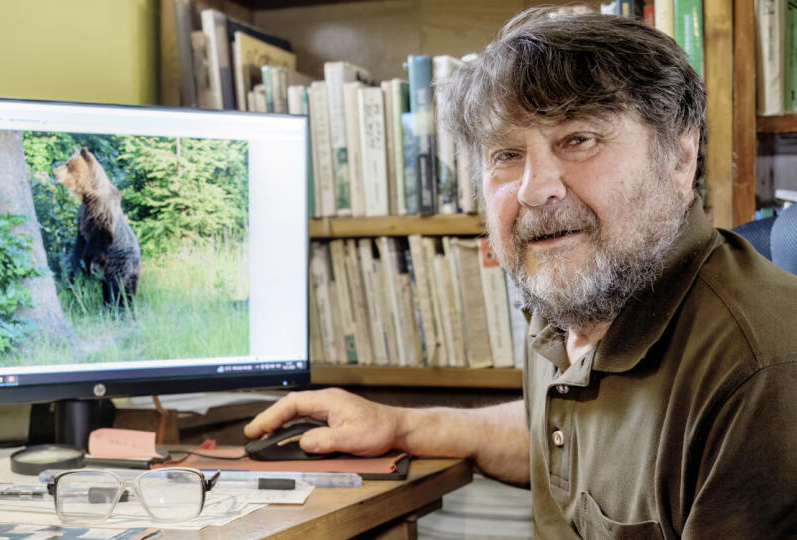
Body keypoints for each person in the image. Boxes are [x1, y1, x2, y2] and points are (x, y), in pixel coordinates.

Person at [245, 7, 797, 539]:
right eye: (506, 154)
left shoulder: (763, 374)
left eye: (579, 139)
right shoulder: (583, 303)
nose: (535, 188)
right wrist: (403, 426)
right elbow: (571, 439)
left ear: (680, 157)